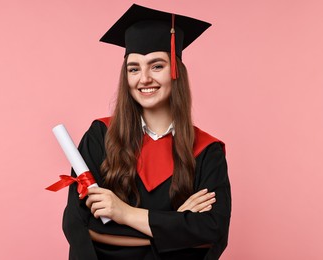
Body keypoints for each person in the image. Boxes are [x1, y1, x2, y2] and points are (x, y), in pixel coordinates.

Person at [62, 4, 231, 260]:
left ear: (176, 72)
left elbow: (213, 232)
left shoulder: (207, 151)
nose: (144, 79)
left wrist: (124, 213)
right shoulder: (101, 136)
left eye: (156, 66)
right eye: (133, 69)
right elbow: (79, 223)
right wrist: (176, 225)